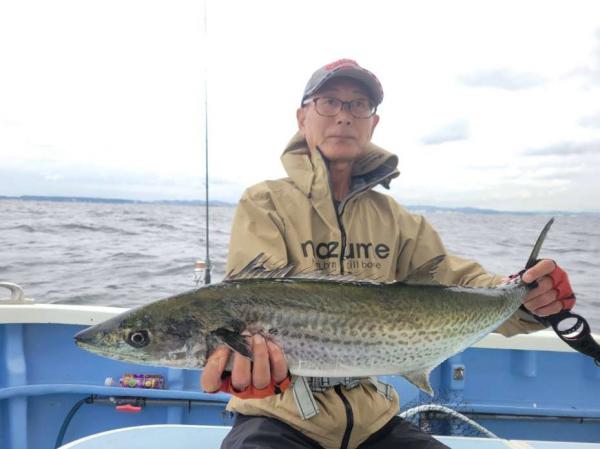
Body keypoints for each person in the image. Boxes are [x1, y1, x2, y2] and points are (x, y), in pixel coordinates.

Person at [200, 59, 576, 449]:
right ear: (302, 118)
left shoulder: (396, 220)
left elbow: (462, 284)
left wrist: (526, 295)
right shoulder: (265, 203)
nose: (344, 116)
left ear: (373, 123)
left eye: (359, 105)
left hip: (373, 421)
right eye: (329, 102)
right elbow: (254, 303)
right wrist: (242, 364)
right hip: (278, 418)